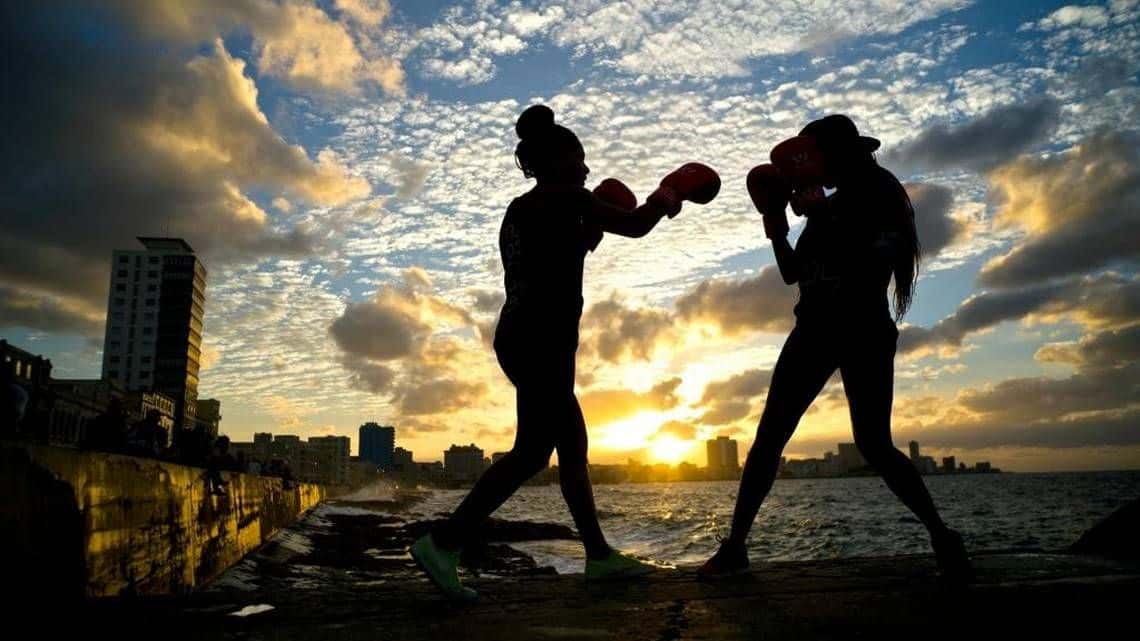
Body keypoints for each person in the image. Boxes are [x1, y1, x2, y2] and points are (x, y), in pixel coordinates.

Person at [410, 104, 720, 601]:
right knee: (534, 453)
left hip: (522, 335)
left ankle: (598, 557)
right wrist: (668, 194)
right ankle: (444, 543)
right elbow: (638, 226)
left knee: (568, 449)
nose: (587, 169)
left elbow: (554, 256)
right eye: (580, 159)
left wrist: (587, 230)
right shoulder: (566, 197)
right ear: (556, 162)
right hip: (542, 340)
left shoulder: (522, 209)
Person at [700, 115, 973, 583]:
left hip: (863, 327)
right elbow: (792, 274)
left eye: (810, 157)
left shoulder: (880, 190)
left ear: (833, 155)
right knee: (769, 438)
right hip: (813, 329)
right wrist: (775, 225)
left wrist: (822, 212)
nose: (805, 168)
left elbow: (880, 255)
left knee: (873, 443)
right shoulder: (831, 202)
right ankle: (736, 546)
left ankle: (942, 536)